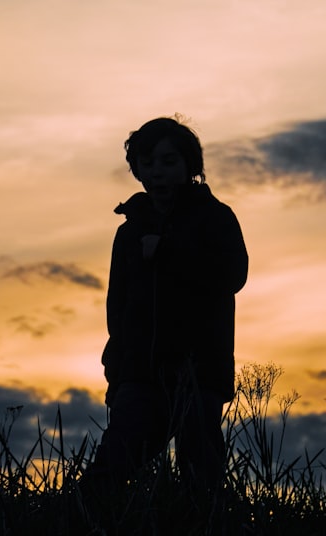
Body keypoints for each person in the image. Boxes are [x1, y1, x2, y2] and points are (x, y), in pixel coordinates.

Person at [79, 116, 248, 507]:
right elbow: (117, 308)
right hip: (139, 375)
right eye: (148, 162)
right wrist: (116, 370)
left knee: (200, 484)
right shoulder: (130, 230)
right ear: (136, 168)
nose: (158, 172)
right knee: (103, 479)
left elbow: (232, 275)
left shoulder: (215, 218)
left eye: (169, 161)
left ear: (190, 166)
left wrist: (169, 252)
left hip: (198, 374)